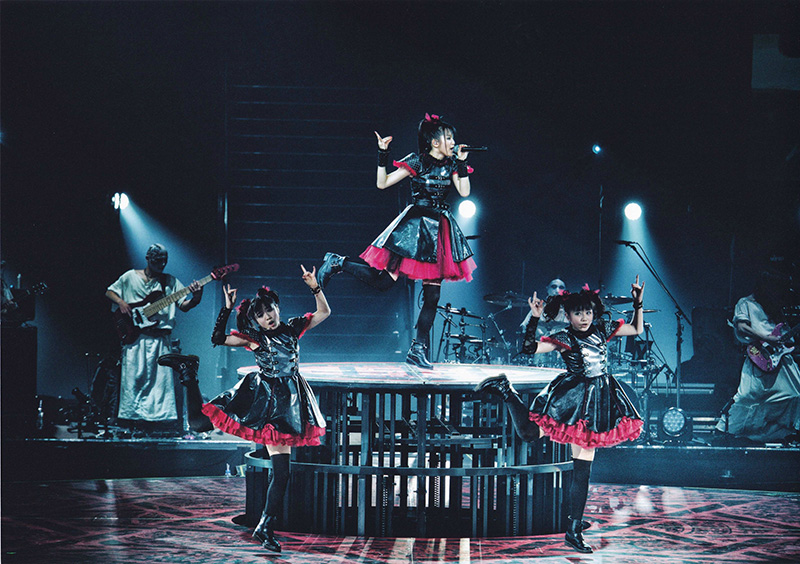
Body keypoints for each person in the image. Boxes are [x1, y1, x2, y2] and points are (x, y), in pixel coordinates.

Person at [158, 265, 329, 553]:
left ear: (277, 306)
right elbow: (218, 339)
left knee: (282, 472)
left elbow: (323, 312)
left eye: (270, 310)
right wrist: (225, 308)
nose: (268, 317)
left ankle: (265, 525)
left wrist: (315, 286)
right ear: (257, 321)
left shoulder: (293, 327)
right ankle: (189, 373)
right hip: (263, 398)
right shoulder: (256, 339)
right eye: (261, 315)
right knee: (200, 425)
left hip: (288, 403)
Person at [475, 278, 645, 553]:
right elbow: (529, 348)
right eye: (578, 313)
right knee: (529, 433)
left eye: (588, 312)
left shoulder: (602, 329)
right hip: (572, 398)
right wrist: (534, 316)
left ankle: (573, 529)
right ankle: (506, 390)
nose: (584, 317)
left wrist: (637, 301)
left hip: (598, 400)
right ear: (568, 315)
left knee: (583, 470)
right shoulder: (564, 337)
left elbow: (636, 328)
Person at [317, 114, 476, 369]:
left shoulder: (451, 164)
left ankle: (417, 349)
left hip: (439, 230)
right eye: (449, 137)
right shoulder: (416, 161)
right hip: (415, 229)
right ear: (435, 142)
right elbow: (383, 183)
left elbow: (465, 191)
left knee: (433, 295)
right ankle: (339, 262)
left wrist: (460, 162)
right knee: (382, 283)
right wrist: (382, 153)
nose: (453, 141)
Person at [105, 244, 203, 429]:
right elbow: (109, 291)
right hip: (135, 338)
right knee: (133, 381)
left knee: (160, 386)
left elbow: (184, 305)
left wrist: (196, 297)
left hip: (160, 340)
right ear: (148, 258)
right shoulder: (130, 277)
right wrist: (121, 302)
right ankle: (131, 421)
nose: (162, 264)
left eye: (165, 260)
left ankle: (158, 424)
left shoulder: (170, 282)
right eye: (158, 260)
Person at [714, 269, 800, 445]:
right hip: (755, 350)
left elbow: (785, 335)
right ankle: (728, 431)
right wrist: (765, 338)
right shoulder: (745, 303)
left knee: (795, 394)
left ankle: (782, 433)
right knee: (748, 395)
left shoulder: (775, 308)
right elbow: (742, 327)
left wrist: (786, 340)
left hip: (779, 357)